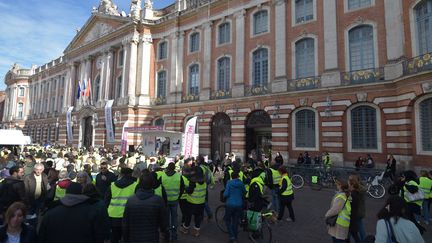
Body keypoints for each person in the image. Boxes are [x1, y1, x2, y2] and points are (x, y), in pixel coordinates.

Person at [39, 182, 110, 243]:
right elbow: (100, 235)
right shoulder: (91, 212)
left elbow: (42, 236)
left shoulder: (51, 213)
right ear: (82, 193)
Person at [123, 169, 169, 243]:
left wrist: (125, 239)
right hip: (152, 237)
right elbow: (164, 222)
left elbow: (125, 223)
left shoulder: (131, 201)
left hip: (134, 237)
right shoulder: (158, 200)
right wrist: (165, 235)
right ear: (152, 184)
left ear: (139, 184)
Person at [105, 167, 138, 243]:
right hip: (128, 215)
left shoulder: (112, 185)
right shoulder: (135, 185)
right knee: (127, 237)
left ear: (121, 174)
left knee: (114, 237)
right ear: (131, 174)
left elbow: (106, 201)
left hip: (113, 215)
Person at [180, 166, 207, 237]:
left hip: (191, 202)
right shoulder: (204, 181)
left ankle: (185, 229)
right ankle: (196, 231)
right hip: (201, 202)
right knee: (198, 217)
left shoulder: (193, 182)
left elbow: (189, 191)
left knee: (188, 216)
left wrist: (186, 188)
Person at [161, 162, 183, 242]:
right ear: (174, 168)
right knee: (174, 218)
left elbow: (161, 189)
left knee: (166, 219)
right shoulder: (179, 176)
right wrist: (178, 196)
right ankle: (174, 236)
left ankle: (166, 236)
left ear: (168, 168)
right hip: (174, 200)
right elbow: (182, 188)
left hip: (165, 201)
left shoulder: (162, 176)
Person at [223, 171, 246, 243]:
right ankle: (235, 237)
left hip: (230, 204)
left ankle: (232, 236)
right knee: (235, 221)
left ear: (231, 176)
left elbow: (226, 194)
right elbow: (244, 192)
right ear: (238, 176)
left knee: (227, 220)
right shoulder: (241, 183)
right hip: (239, 204)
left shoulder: (229, 183)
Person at [348, 175, 366, 243]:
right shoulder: (360, 188)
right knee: (359, 227)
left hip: (357, 212)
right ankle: (363, 240)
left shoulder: (356, 191)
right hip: (360, 211)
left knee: (355, 229)